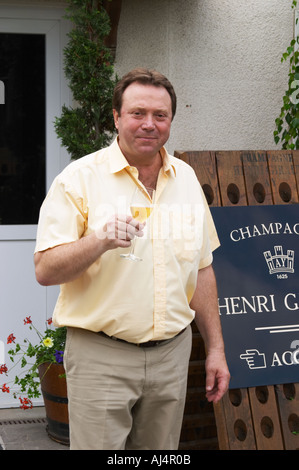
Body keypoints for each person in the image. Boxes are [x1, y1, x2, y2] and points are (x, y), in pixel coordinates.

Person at [34, 68, 230, 450]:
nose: (149, 124)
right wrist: (99, 241)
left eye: (160, 115)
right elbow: (45, 269)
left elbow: (202, 269)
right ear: (116, 117)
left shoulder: (186, 179)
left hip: (172, 355)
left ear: (171, 120)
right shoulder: (78, 179)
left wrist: (216, 349)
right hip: (101, 356)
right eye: (137, 113)